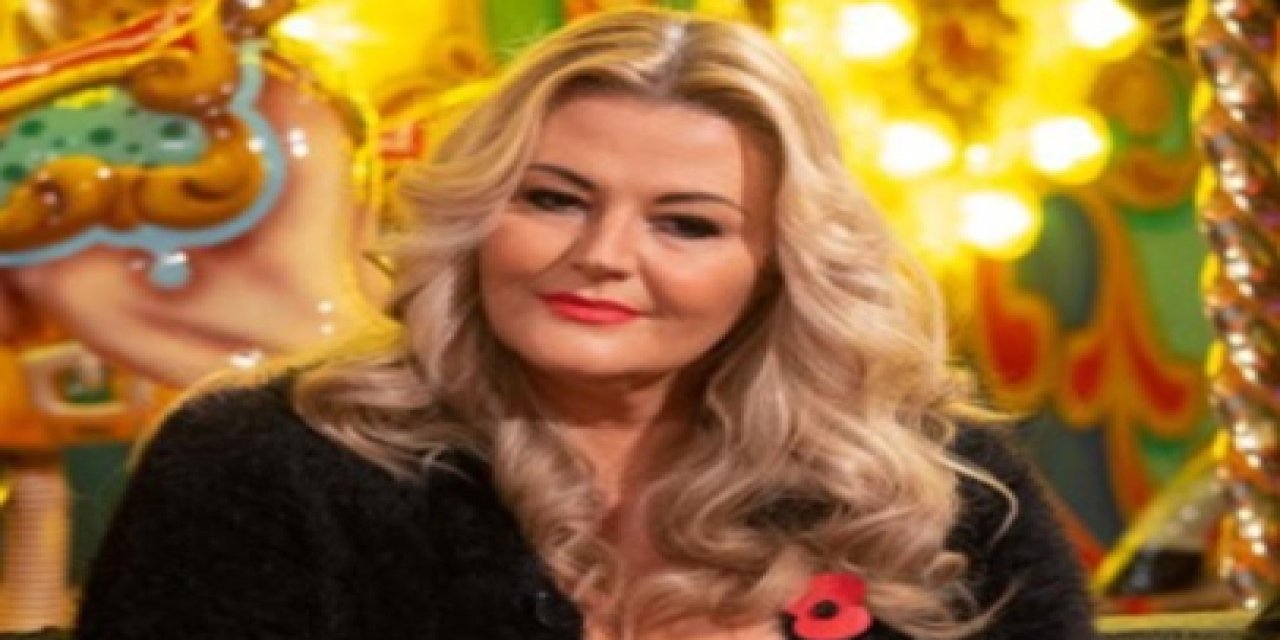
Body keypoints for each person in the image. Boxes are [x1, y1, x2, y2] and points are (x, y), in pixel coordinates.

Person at [74, 8, 1098, 640]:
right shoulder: (266, 464)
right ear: (477, 218)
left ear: (775, 266)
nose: (604, 253)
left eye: (686, 223)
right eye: (554, 199)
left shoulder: (938, 486)